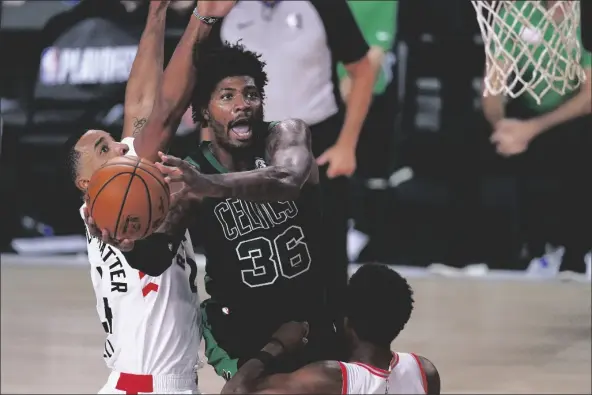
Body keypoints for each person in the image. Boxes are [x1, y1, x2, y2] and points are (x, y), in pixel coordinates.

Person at [66, 1, 237, 393]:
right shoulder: (120, 201)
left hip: (139, 381)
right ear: (85, 184)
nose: (121, 148)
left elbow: (139, 106)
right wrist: (201, 21)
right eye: (104, 149)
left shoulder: (119, 192)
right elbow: (160, 108)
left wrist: (156, 13)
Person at [152, 40, 340, 380]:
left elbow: (287, 178)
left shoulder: (286, 136)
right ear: (205, 111)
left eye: (250, 94)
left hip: (312, 316)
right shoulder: (189, 175)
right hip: (241, 329)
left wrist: (210, 185)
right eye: (227, 97)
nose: (243, 105)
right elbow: (153, 258)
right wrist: (122, 238)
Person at [208, 0, 378, 325]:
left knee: (325, 266)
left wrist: (347, 144)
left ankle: (330, 354)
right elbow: (206, 83)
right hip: (247, 146)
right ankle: (258, 353)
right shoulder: (224, 7)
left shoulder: (326, 5)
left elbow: (363, 68)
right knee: (253, 262)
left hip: (316, 142)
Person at [482, 1, 592, 279]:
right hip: (529, 114)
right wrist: (502, 126)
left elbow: (589, 96)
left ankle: (577, 254)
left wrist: (533, 128)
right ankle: (532, 251)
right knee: (497, 142)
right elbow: (492, 88)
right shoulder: (516, 13)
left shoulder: (586, 14)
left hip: (575, 115)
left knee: (578, 142)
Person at [219, 264, 440, 394]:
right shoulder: (425, 372)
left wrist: (277, 345)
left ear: (346, 321)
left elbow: (234, 391)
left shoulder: (330, 377)